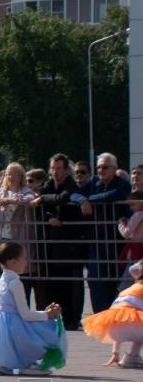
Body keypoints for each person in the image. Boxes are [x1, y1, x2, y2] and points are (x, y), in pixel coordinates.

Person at [0, 241, 67, 375]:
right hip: (13, 326)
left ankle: (5, 364)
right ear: (12, 262)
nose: (26, 262)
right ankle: (28, 363)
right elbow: (25, 315)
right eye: (24, 258)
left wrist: (44, 312)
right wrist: (47, 315)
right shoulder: (15, 282)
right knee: (45, 330)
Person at [80, 153, 132, 325]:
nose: (101, 170)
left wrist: (88, 200)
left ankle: (118, 322)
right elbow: (73, 194)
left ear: (114, 169)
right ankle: (100, 321)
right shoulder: (93, 183)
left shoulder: (122, 184)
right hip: (96, 243)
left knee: (118, 284)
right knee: (95, 281)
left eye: (105, 167)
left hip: (117, 244)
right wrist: (82, 200)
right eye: (99, 167)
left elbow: (113, 195)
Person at [33, 153, 82, 329]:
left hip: (70, 243)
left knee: (70, 285)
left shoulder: (71, 185)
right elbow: (40, 208)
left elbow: (64, 197)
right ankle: (55, 317)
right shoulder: (47, 186)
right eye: (53, 168)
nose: (55, 172)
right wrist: (49, 218)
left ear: (66, 170)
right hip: (51, 244)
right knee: (53, 283)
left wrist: (43, 200)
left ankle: (71, 319)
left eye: (59, 168)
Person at [83, 261, 143, 368]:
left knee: (121, 325)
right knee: (140, 333)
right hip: (133, 321)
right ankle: (133, 356)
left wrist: (115, 352)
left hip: (112, 322)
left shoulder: (131, 288)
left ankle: (119, 356)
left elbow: (118, 321)